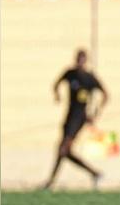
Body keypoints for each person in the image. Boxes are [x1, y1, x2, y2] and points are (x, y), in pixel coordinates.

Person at [42, 48, 109, 190]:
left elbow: (105, 95)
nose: (79, 63)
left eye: (82, 60)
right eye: (78, 59)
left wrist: (96, 114)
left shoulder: (89, 78)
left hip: (79, 118)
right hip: (69, 116)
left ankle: (51, 182)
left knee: (63, 149)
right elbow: (56, 84)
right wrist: (57, 96)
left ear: (85, 61)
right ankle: (95, 173)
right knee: (64, 151)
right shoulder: (70, 73)